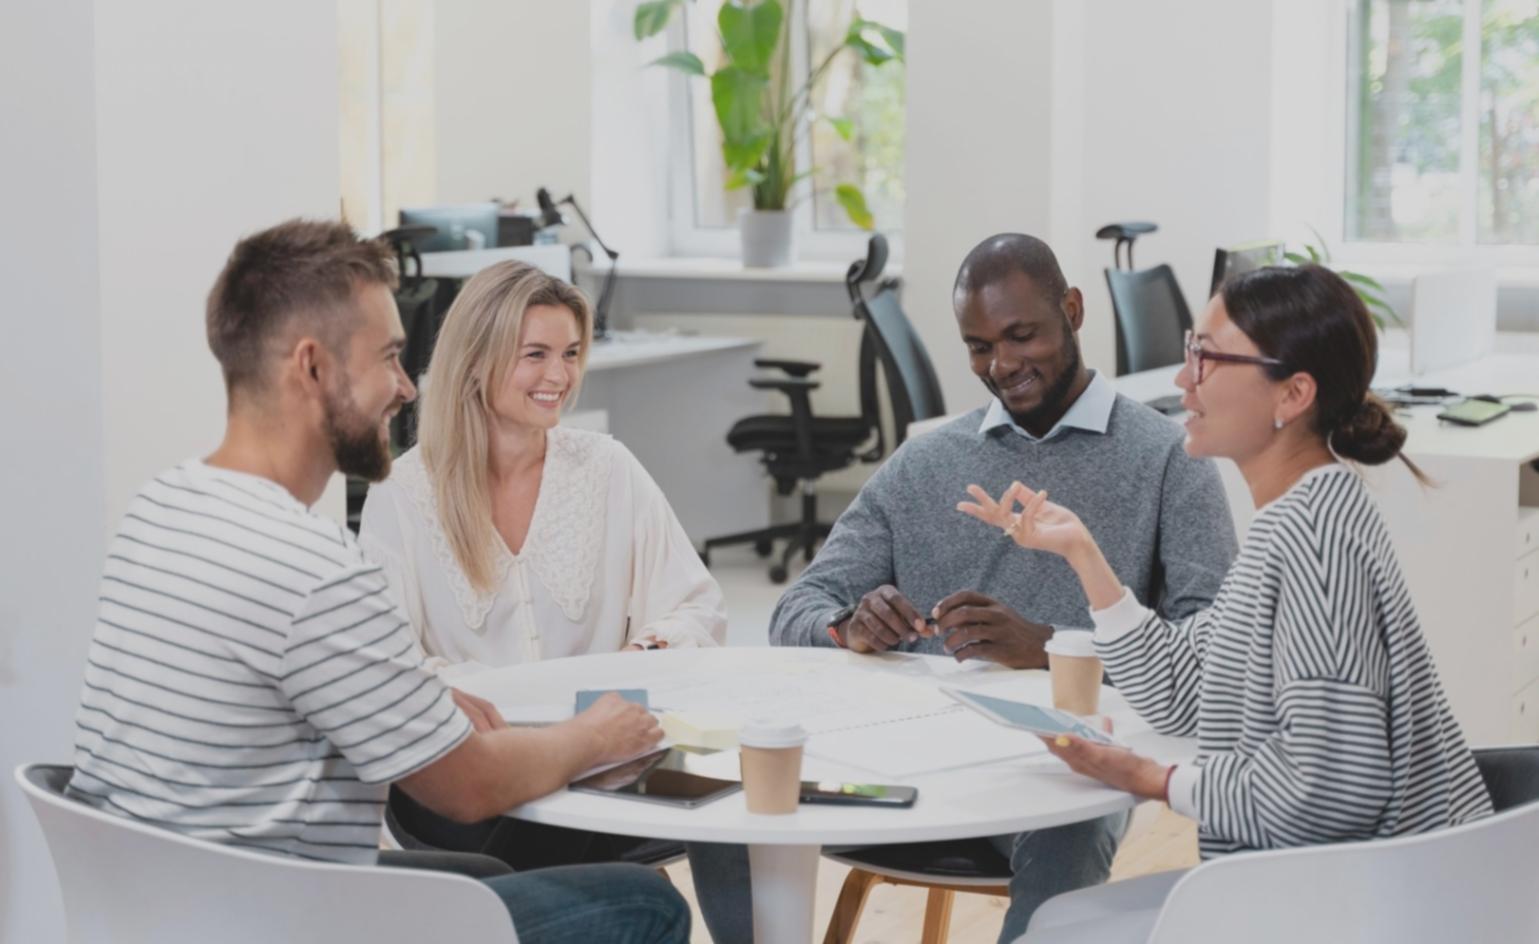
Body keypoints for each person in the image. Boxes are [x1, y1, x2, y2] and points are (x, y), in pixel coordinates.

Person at [66, 219, 690, 944]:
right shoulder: (314, 571)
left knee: (485, 881)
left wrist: (415, 690)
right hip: (284, 919)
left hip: (168, 904)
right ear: (313, 368)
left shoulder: (162, 509)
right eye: (389, 356)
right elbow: (469, 789)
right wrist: (594, 735)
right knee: (646, 902)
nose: (404, 386)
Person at [957, 264, 1493, 942]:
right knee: (1060, 923)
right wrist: (1084, 557)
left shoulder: (1310, 543)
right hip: (1336, 889)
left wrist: (1155, 779)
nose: (1183, 380)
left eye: (1206, 358)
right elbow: (1184, 689)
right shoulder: (1302, 513)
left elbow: (1329, 791)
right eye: (1190, 351)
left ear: (1292, 393)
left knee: (1058, 931)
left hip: (1358, 909)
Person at [755, 233, 1237, 942]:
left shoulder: (1169, 459)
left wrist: (1050, 646)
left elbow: (1212, 651)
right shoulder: (924, 463)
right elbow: (793, 610)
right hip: (916, 759)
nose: (1002, 365)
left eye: (1021, 335)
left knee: (1066, 826)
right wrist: (848, 626)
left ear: (1071, 310)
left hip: (1069, 765)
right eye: (979, 347)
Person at [356, 259, 738, 937]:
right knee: (611, 875)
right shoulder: (403, 492)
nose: (558, 376)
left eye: (568, 354)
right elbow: (388, 667)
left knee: (736, 802)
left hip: (603, 766)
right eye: (534, 355)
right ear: (476, 360)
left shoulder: (607, 468)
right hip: (464, 777)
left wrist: (641, 654)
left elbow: (696, 607)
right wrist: (525, 724)